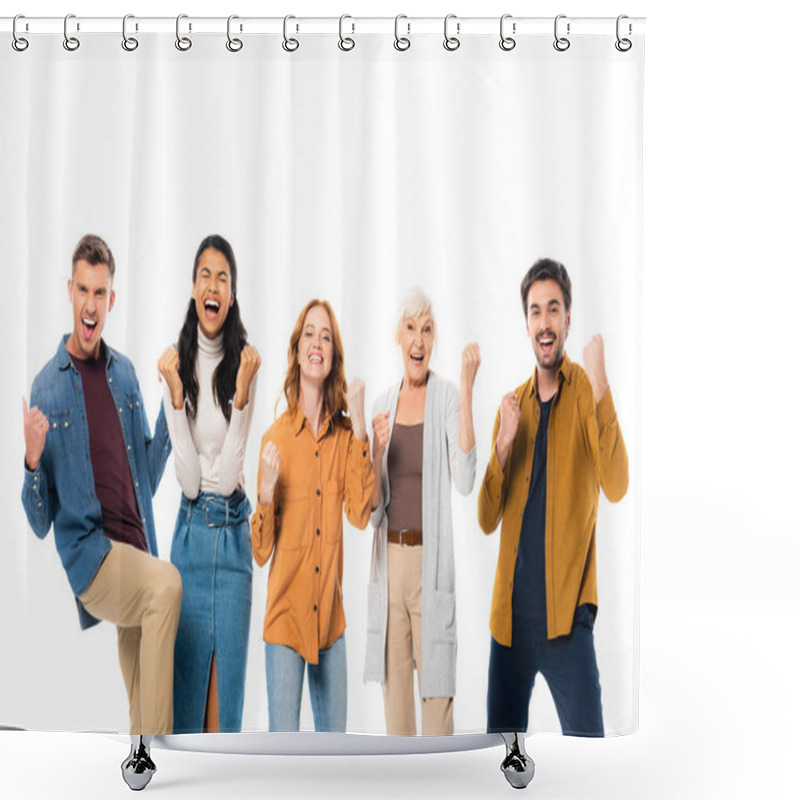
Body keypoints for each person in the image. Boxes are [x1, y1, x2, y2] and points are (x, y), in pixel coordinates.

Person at [21, 234, 181, 790]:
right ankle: (162, 745)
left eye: (101, 292)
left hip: (136, 548)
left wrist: (174, 401)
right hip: (93, 557)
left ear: (113, 299)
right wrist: (32, 460)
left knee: (141, 675)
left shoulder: (125, 374)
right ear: (70, 292)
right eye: (83, 290)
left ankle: (144, 762)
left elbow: (150, 469)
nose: (91, 304)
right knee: (167, 588)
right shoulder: (47, 386)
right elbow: (39, 521)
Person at [478, 257, 629, 738]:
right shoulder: (512, 406)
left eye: (554, 310)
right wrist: (502, 446)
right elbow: (485, 518)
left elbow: (617, 484)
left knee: (591, 764)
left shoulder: (586, 391)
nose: (545, 322)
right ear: (526, 324)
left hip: (567, 623)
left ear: (567, 319)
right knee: (499, 766)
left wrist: (602, 384)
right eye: (536, 311)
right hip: (510, 627)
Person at [251, 299, 374, 732]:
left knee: (335, 760)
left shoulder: (345, 437)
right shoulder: (275, 438)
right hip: (285, 622)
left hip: (330, 624)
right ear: (297, 350)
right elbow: (260, 553)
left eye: (325, 336)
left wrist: (360, 428)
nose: (316, 342)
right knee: (283, 759)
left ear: (333, 355)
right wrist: (265, 495)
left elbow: (360, 515)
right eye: (309, 334)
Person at [363, 288, 479, 736]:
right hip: (389, 570)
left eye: (427, 329)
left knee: (437, 714)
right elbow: (373, 513)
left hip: (432, 568)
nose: (419, 339)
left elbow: (466, 479)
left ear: (434, 340)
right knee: (397, 720)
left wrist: (468, 390)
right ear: (398, 337)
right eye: (411, 328)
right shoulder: (381, 406)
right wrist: (374, 452)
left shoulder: (447, 396)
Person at [158, 235, 260, 734]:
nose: (213, 285)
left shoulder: (245, 362)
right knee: (187, 713)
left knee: (224, 715)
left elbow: (227, 474)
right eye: (206, 275)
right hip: (190, 539)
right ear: (193, 286)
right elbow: (192, 482)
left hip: (235, 540)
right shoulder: (175, 363)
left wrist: (240, 399)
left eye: (223, 277)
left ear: (232, 294)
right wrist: (176, 399)